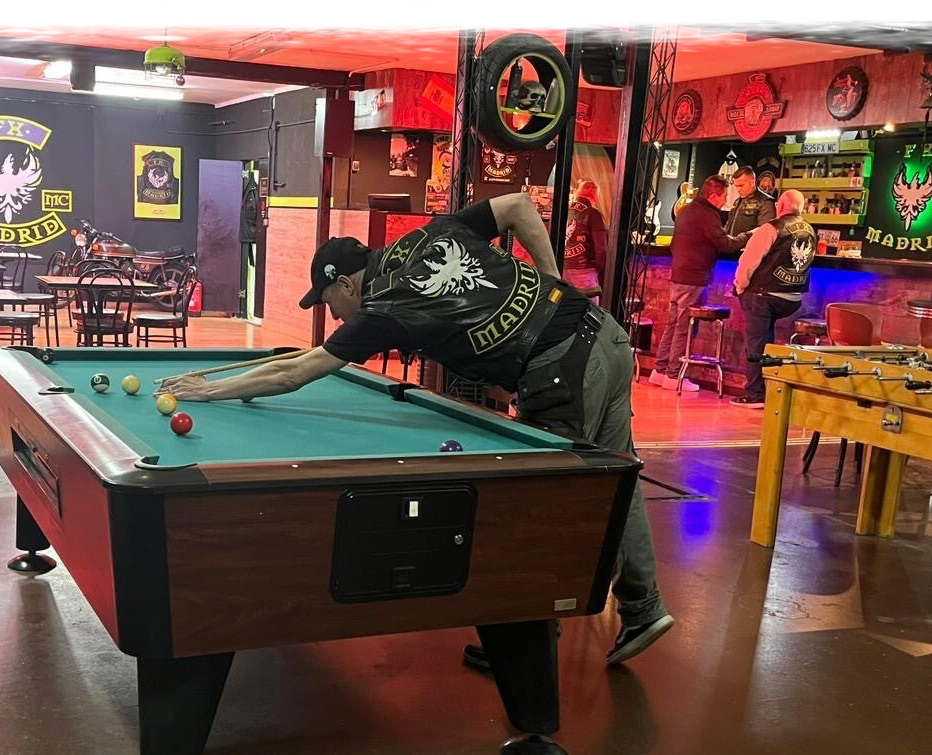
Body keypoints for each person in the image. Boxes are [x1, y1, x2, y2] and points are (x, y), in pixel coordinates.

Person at [161, 194, 674, 666]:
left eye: (328, 301)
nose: (333, 314)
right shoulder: (430, 234)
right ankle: (644, 607)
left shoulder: (386, 310)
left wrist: (207, 391)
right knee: (619, 480)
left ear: (347, 284)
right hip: (603, 334)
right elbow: (519, 206)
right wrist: (551, 287)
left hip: (561, 368)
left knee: (545, 501)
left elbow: (293, 374)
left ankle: (528, 644)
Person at [651, 175, 749, 392]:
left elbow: (674, 245)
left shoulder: (686, 210)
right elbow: (725, 244)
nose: (725, 201)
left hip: (679, 274)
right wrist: (748, 236)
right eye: (724, 196)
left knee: (673, 324)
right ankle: (674, 375)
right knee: (685, 327)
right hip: (694, 278)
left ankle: (660, 370)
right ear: (713, 196)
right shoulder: (707, 215)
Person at [730, 189, 817, 408]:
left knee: (756, 344)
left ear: (780, 206)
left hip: (764, 294)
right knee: (766, 342)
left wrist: (740, 286)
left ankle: (755, 394)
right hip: (792, 299)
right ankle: (772, 390)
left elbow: (748, 261)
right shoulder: (810, 230)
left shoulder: (771, 228)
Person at [562, 180, 609, 296]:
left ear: (578, 192)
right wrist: (600, 269)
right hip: (585, 272)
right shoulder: (593, 214)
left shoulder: (562, 210)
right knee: (587, 306)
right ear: (596, 197)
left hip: (562, 269)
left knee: (564, 304)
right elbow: (601, 249)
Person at [725, 166, 777, 237]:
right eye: (736, 186)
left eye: (741, 186)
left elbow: (764, 231)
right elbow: (728, 224)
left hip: (749, 244)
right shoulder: (737, 201)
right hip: (732, 243)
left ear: (752, 182)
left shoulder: (766, 202)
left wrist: (739, 240)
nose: (738, 190)